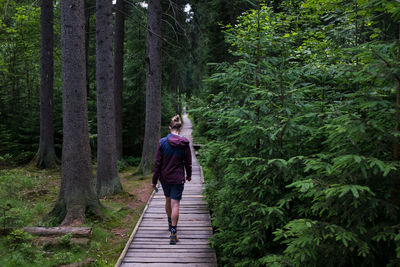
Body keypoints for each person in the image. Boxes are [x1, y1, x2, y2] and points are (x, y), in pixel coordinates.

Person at [152, 115, 192, 245]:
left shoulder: (162, 142)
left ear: (170, 128)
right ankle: (173, 232)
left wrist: (154, 179)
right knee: (176, 204)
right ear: (179, 129)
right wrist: (189, 175)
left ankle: (170, 224)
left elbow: (157, 163)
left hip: (165, 177)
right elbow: (188, 162)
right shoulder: (184, 143)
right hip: (178, 177)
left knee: (168, 200)